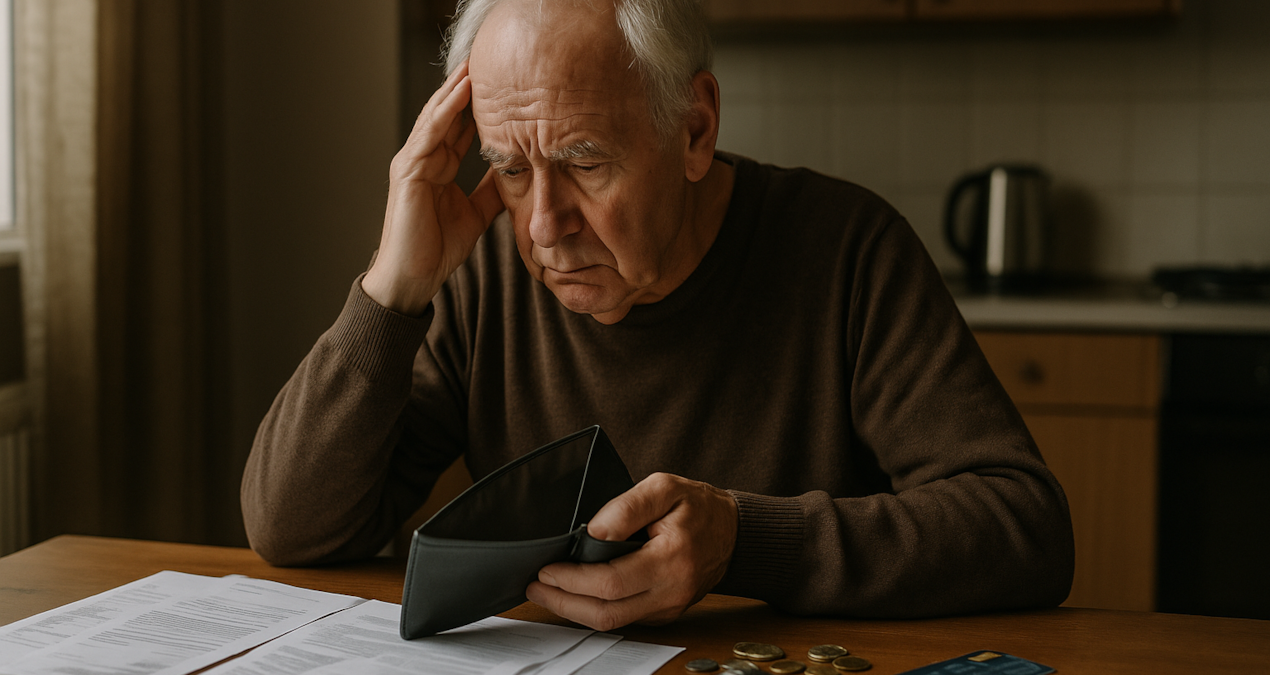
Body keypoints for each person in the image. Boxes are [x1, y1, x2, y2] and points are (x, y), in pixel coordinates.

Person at [241, 0, 1074, 632]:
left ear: (695, 129)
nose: (544, 226)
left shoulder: (846, 249)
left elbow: (1024, 525)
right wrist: (392, 289)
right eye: (512, 169)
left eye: (584, 160)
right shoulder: (486, 266)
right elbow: (291, 525)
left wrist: (743, 540)